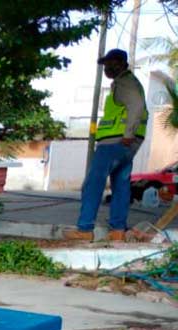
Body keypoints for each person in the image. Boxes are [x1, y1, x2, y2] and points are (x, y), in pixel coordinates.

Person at [68, 48, 148, 242]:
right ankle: (117, 231)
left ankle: (85, 229)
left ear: (121, 64)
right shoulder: (130, 83)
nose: (106, 68)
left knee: (93, 183)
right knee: (121, 185)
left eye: (110, 64)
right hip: (128, 143)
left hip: (116, 141)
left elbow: (137, 106)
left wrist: (127, 134)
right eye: (105, 65)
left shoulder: (125, 83)